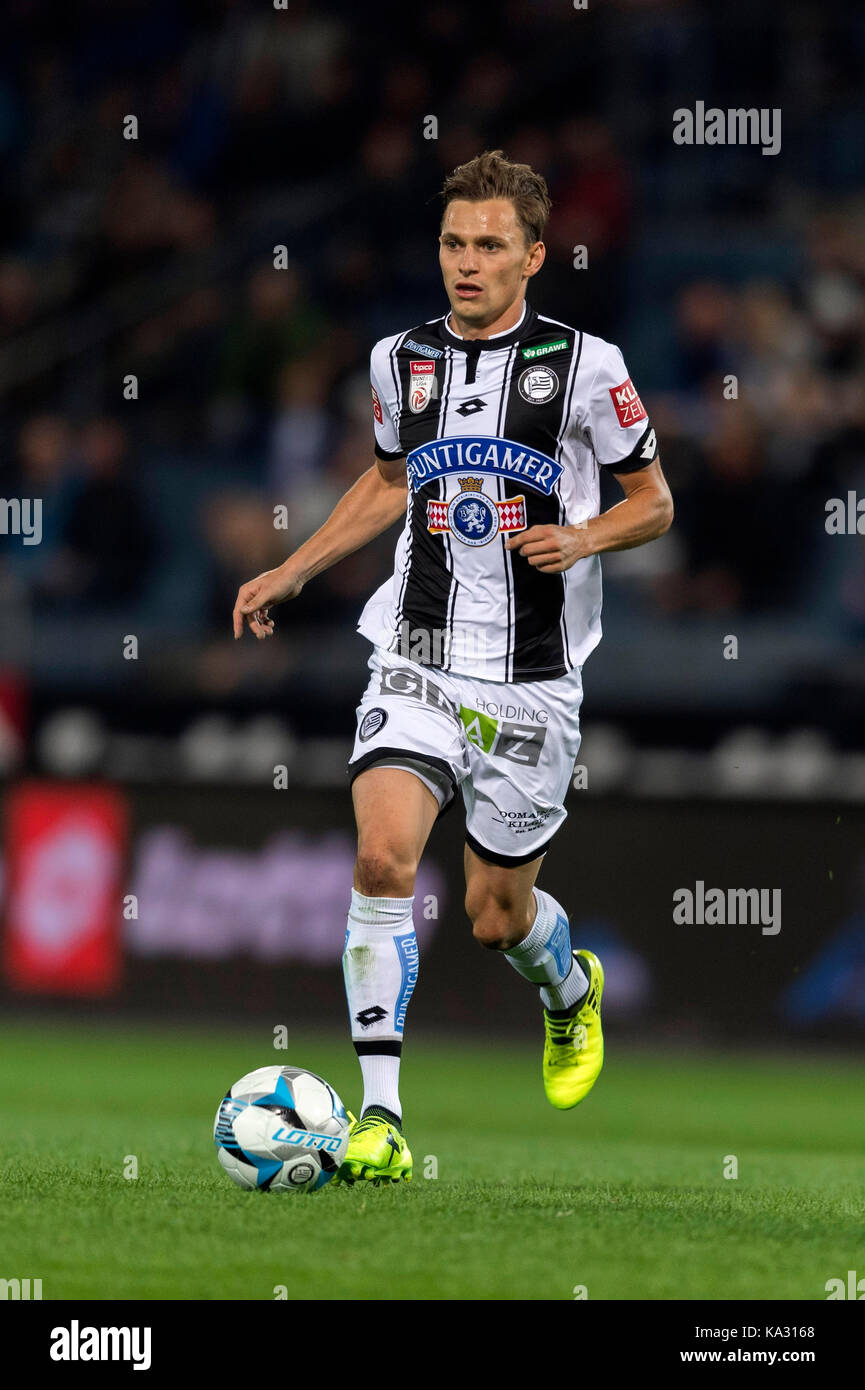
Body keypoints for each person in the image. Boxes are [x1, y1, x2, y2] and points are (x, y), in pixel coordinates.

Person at [232, 150, 673, 1184]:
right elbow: (390, 482)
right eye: (451, 244)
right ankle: (379, 1119)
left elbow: (653, 501)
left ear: (531, 257)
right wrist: (294, 566)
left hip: (531, 675)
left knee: (494, 915)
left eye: (487, 247)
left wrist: (586, 538)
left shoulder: (587, 366)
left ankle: (568, 993)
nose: (465, 264)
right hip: (417, 648)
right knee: (383, 860)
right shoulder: (400, 360)